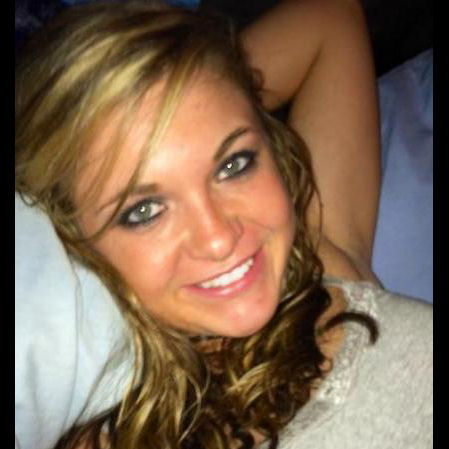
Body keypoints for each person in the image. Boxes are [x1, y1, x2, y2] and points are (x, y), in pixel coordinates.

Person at [15, 1, 432, 448]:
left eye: (234, 164)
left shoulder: (325, 254)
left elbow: (330, 16)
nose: (218, 239)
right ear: (69, 237)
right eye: (145, 210)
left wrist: (210, 78)